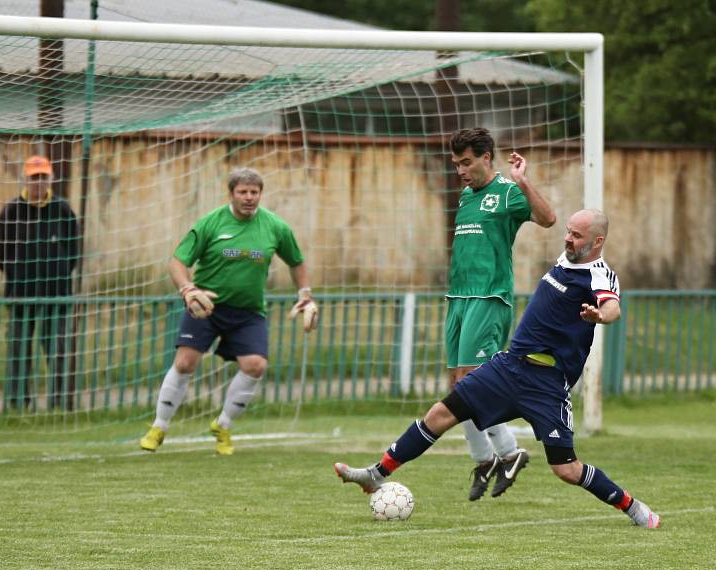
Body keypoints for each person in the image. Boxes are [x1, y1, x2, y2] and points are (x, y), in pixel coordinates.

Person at [335, 209, 661, 528]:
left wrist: (601, 316)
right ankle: (375, 475)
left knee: (567, 470)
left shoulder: (600, 275)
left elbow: (613, 306)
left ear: (598, 240)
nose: (568, 239)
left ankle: (631, 506)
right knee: (440, 414)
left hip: (546, 384)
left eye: (577, 235)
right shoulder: (567, 259)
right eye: (568, 231)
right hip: (507, 368)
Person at [139, 167, 317, 456]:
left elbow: (297, 261)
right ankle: (159, 426)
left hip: (248, 312)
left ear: (260, 193)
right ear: (231, 193)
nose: (249, 197)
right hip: (206, 307)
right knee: (185, 362)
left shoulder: (275, 227)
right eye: (243, 192)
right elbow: (176, 262)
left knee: (256, 366)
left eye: (254, 192)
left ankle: (223, 425)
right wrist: (188, 289)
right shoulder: (211, 223)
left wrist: (305, 295)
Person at [445, 127, 556, 500]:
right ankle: (493, 456)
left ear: (486, 157)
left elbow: (548, 218)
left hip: (488, 297)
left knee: (472, 382)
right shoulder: (465, 196)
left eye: (467, 162)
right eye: (457, 164)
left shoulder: (506, 193)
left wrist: (523, 182)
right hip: (458, 298)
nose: (461, 170)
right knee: (458, 388)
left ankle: (504, 453)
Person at [0, 155, 80, 411]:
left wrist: (60, 271)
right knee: (19, 350)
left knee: (57, 350)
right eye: (34, 177)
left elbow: (74, 250)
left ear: (51, 178)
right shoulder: (11, 210)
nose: (39, 182)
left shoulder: (63, 210)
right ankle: (18, 403)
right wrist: (16, 271)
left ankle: (58, 404)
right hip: (21, 294)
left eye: (43, 177)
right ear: (25, 179)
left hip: (56, 295)